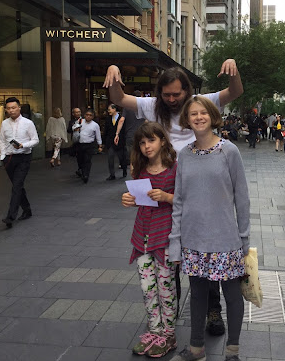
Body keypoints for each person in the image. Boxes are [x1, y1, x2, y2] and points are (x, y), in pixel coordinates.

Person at [104, 59, 243, 337]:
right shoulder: (152, 105)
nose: (171, 99)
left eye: (176, 94)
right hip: (166, 185)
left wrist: (234, 71)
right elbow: (118, 98)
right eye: (166, 94)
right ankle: (171, 312)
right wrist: (114, 74)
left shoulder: (199, 103)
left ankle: (213, 310)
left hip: (197, 184)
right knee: (169, 254)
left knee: (204, 251)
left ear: (187, 91)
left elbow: (235, 91)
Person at [166, 95, 250, 361]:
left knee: (232, 296)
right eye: (193, 114)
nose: (198, 117)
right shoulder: (184, 155)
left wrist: (244, 239)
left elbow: (242, 198)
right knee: (198, 295)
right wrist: (175, 242)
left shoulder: (229, 151)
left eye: (203, 112)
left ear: (212, 116)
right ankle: (196, 348)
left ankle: (232, 352)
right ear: (187, 120)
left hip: (225, 239)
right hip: (193, 239)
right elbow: (179, 200)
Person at [122, 122, 177, 358]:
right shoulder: (140, 169)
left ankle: (169, 335)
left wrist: (166, 196)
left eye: (151, 140)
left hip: (165, 236)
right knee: (147, 288)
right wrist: (128, 199)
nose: (147, 146)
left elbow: (186, 199)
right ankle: (154, 331)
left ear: (162, 141)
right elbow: (139, 200)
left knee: (166, 288)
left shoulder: (175, 169)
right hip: (142, 236)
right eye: (142, 142)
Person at [0, 97, 39, 228]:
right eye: (8, 108)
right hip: (9, 159)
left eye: (14, 107)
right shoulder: (4, 123)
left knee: (16, 186)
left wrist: (23, 145)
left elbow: (35, 140)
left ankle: (10, 217)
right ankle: (27, 209)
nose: (11, 110)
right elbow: (2, 140)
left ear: (19, 108)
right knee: (18, 186)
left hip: (23, 158)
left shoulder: (28, 123)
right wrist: (3, 156)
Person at [76, 109, 103, 183]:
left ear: (93, 117)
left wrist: (100, 145)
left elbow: (98, 135)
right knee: (80, 159)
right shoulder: (80, 121)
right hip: (80, 144)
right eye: (87, 115)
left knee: (87, 160)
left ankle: (86, 175)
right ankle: (82, 171)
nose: (88, 116)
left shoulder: (95, 125)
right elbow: (73, 128)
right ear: (84, 115)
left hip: (89, 144)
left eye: (90, 115)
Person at [103, 103, 125, 180]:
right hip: (110, 142)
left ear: (114, 109)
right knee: (110, 158)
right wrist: (104, 142)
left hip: (120, 141)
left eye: (109, 109)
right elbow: (105, 131)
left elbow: (124, 129)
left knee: (121, 158)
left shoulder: (122, 118)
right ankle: (112, 174)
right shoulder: (108, 119)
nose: (108, 111)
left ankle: (124, 170)